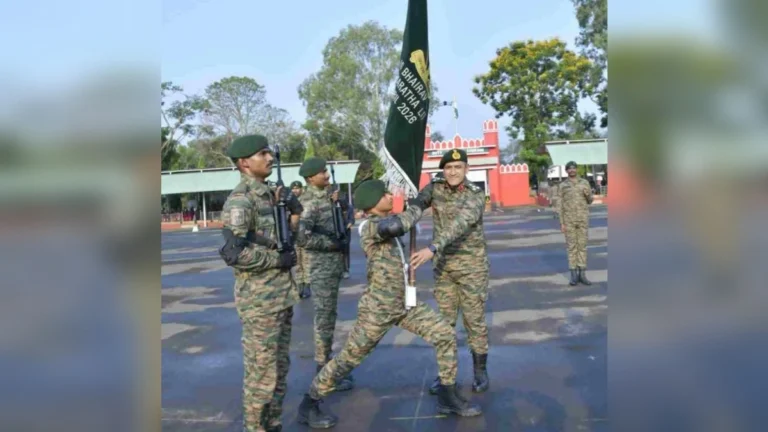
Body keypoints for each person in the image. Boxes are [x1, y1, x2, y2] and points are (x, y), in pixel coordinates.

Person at [297, 180, 482, 428]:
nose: (388, 195)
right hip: (378, 309)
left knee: (445, 335)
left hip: (404, 305)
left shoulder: (385, 220)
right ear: (373, 204)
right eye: (384, 194)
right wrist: (418, 205)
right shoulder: (369, 227)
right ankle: (309, 403)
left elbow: (400, 219)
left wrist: (416, 200)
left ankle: (447, 393)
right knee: (348, 359)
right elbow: (399, 224)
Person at [217, 134, 303, 432]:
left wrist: (295, 212)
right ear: (244, 163)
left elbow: (288, 239)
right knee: (261, 378)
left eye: (269, 153)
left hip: (282, 296)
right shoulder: (242, 199)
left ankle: (274, 425)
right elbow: (233, 253)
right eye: (262, 154)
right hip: (259, 303)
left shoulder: (271, 195)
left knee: (279, 372)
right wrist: (275, 261)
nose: (269, 158)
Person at [410, 148, 491, 395]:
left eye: (458, 167)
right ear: (442, 170)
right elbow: (418, 204)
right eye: (448, 168)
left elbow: (461, 224)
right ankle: (447, 375)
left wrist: (433, 247)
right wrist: (410, 211)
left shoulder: (476, 194)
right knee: (444, 325)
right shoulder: (435, 187)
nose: (453, 172)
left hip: (471, 268)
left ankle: (480, 372)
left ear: (466, 169)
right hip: (444, 269)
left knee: (474, 321)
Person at [296, 157, 353, 391]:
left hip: (333, 265)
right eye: (322, 174)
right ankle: (323, 372)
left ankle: (326, 365)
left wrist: (340, 205)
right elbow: (301, 236)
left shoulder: (328, 197)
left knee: (329, 316)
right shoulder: (308, 202)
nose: (327, 176)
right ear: (311, 178)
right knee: (324, 319)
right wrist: (331, 244)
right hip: (321, 266)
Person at [556, 161, 593, 286]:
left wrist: (588, 195)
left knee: (582, 246)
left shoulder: (584, 183)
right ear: (567, 171)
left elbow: (590, 201)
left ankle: (582, 274)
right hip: (569, 221)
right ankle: (573, 275)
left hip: (582, 219)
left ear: (576, 170)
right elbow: (559, 205)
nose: (572, 171)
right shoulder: (562, 186)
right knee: (572, 248)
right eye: (569, 169)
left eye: (574, 168)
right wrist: (562, 223)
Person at [290, 180, 311, 299]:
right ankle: (299, 286)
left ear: (301, 189)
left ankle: (307, 285)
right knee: (297, 262)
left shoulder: (307, 200)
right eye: (293, 189)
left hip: (306, 235)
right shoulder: (289, 201)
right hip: (294, 235)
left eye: (297, 188)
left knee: (307, 262)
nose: (295, 191)